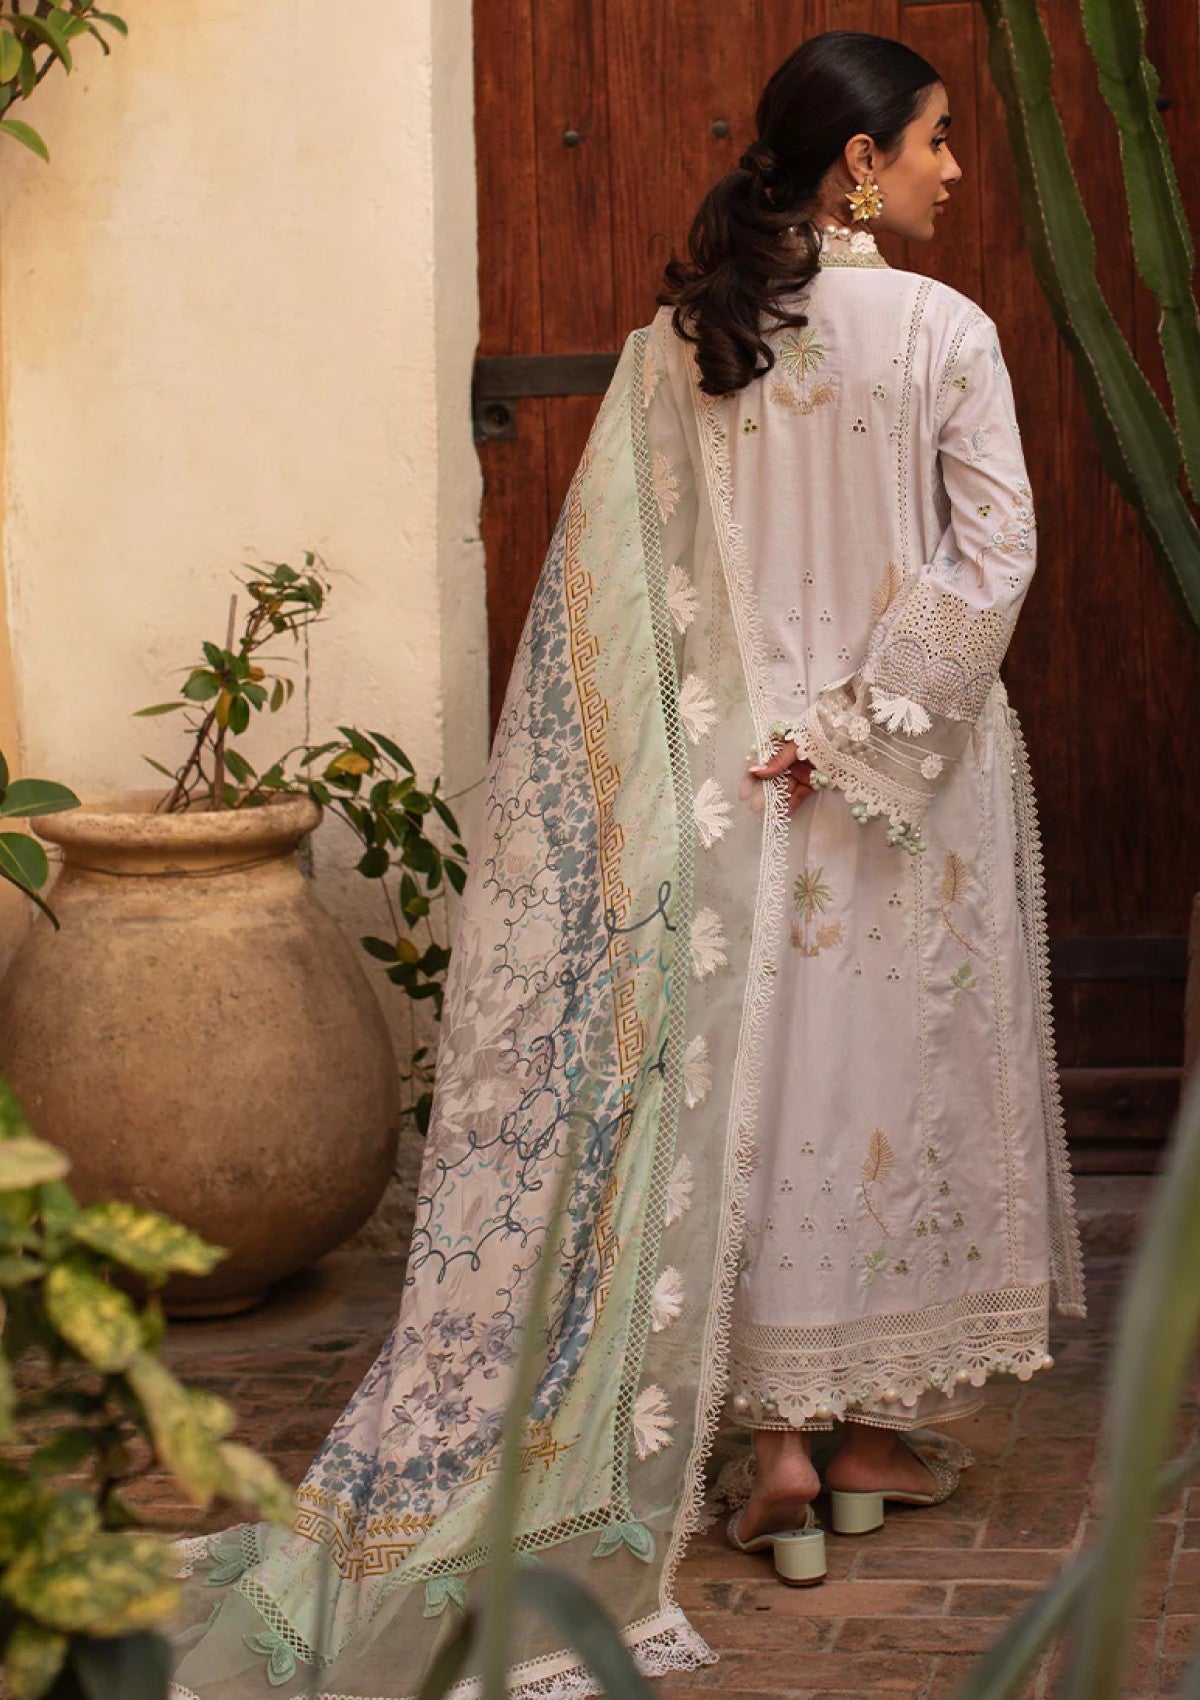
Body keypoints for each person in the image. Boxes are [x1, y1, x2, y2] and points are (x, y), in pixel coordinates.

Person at [169, 30, 1083, 1699]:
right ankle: (851, 1439)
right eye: (938, 140)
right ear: (859, 162)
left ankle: (788, 1455)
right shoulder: (945, 333)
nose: (958, 170)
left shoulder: (683, 345)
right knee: (892, 1088)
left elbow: (613, 610)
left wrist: (744, 753)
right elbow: (994, 557)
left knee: (763, 1092)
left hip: (731, 795)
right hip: (910, 780)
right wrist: (866, 726)